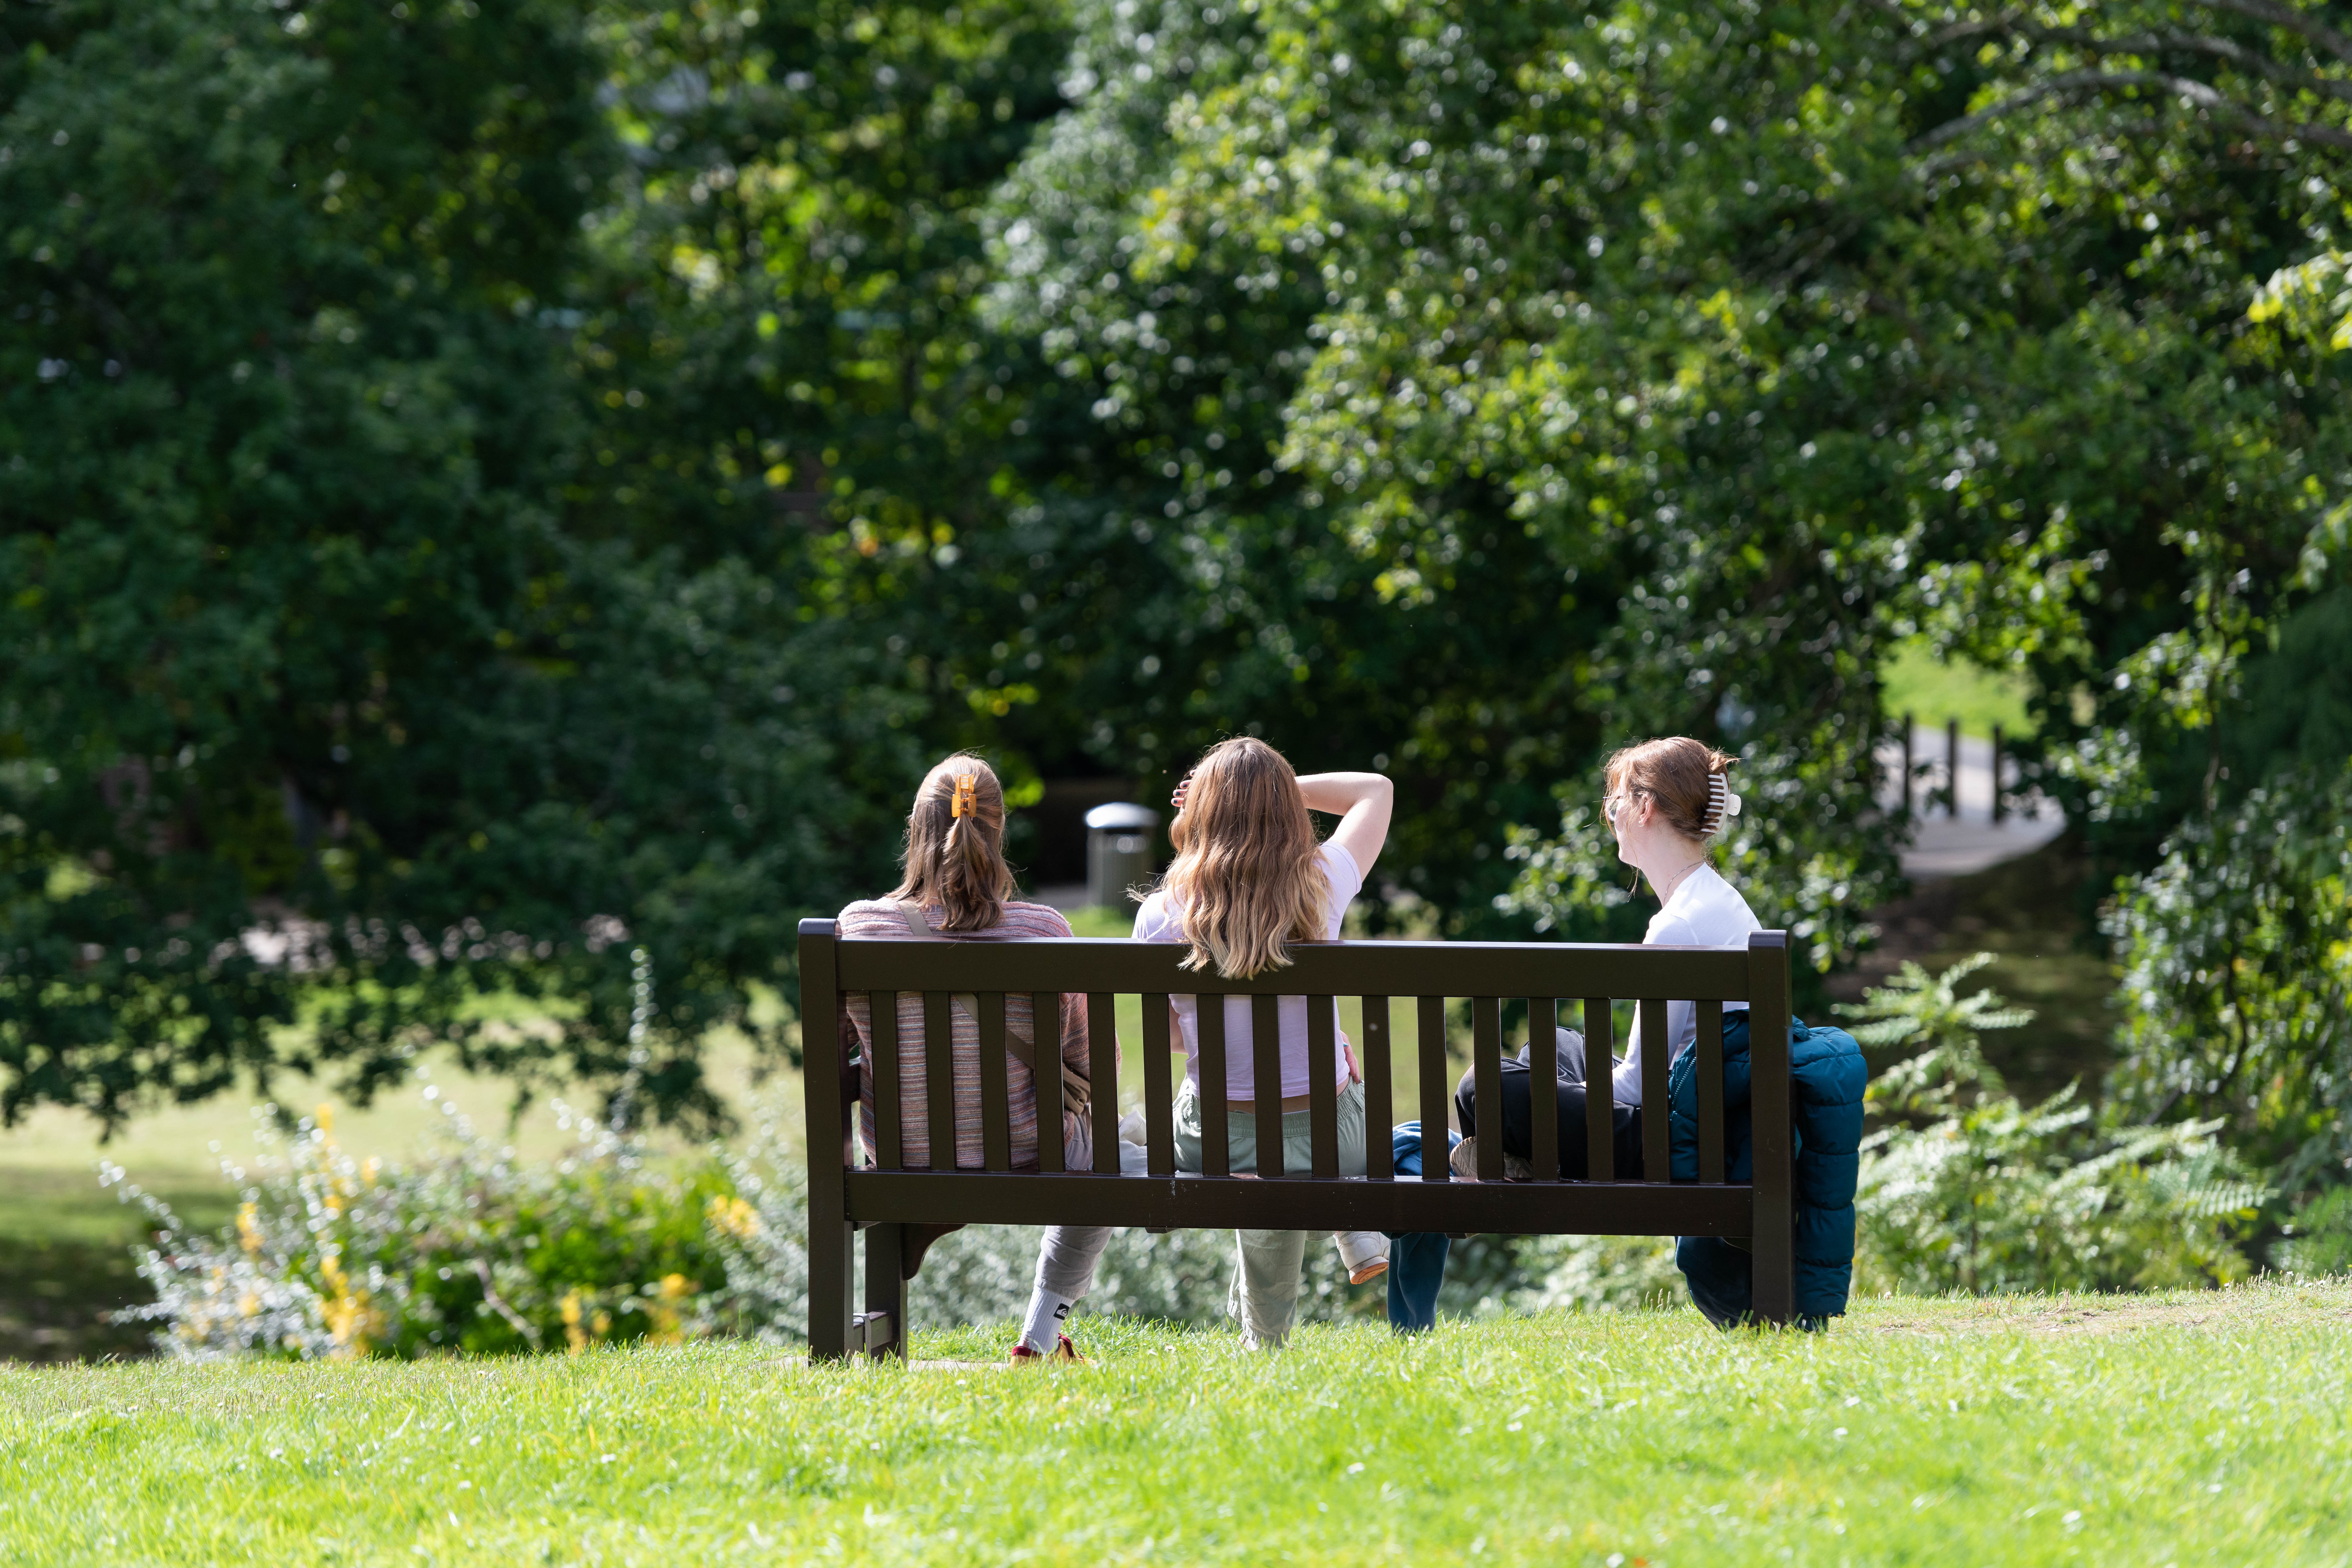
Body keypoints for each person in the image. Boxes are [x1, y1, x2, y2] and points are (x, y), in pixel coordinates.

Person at [1012, 739, 1395, 1354]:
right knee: (1327, 1089)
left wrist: (1229, 793)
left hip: (1212, 1142)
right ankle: (1346, 1240)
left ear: (1204, 809)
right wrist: (1274, 788)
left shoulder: (1163, 914)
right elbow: (1377, 791)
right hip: (1334, 1138)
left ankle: (1045, 1323)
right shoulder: (1325, 881)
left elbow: (1167, 1033)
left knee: (1116, 1148)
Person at [1385, 736, 1755, 1330]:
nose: (1611, 820)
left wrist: (1567, 1090)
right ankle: (1515, 1155)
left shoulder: (1677, 927)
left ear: (1645, 809)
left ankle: (1512, 1157)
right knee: (1556, 1044)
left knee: (1485, 1086)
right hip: (1698, 1115)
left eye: (1613, 806)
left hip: (1666, 1137)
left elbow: (1635, 1087)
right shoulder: (1716, 902)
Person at [832, 756, 1097, 1361]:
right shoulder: (1045, 930)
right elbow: (1085, 1065)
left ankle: (928, 1225)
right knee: (1109, 1150)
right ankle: (1043, 1329)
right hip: (1033, 1153)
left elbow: (833, 1055)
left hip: (905, 1157)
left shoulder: (860, 927)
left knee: (1106, 1145)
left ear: (916, 830)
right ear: (999, 830)